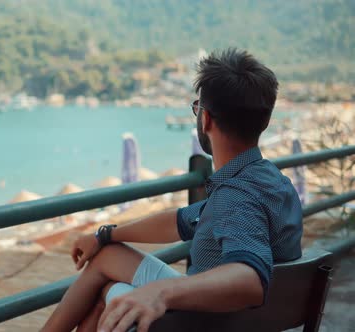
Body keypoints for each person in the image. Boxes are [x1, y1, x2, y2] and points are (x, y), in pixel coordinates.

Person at [42, 48, 303, 332]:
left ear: (205, 119)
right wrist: (105, 235)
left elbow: (250, 279)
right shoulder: (269, 181)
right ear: (263, 121)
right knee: (107, 257)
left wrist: (161, 293)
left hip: (205, 322)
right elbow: (180, 221)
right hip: (252, 320)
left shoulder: (235, 196)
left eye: (197, 108)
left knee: (109, 295)